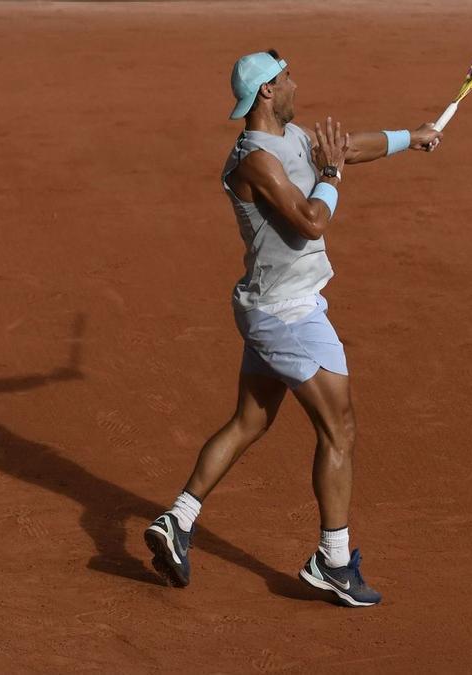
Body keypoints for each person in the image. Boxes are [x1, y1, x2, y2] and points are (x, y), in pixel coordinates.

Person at [144, 49, 441, 607]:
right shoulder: (255, 160)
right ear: (266, 93)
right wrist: (330, 175)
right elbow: (310, 222)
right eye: (286, 80)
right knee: (340, 429)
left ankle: (177, 520)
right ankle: (332, 562)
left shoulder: (291, 136)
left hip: (271, 309)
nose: (296, 84)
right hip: (289, 314)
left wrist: (412, 136)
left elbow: (348, 147)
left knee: (248, 421)